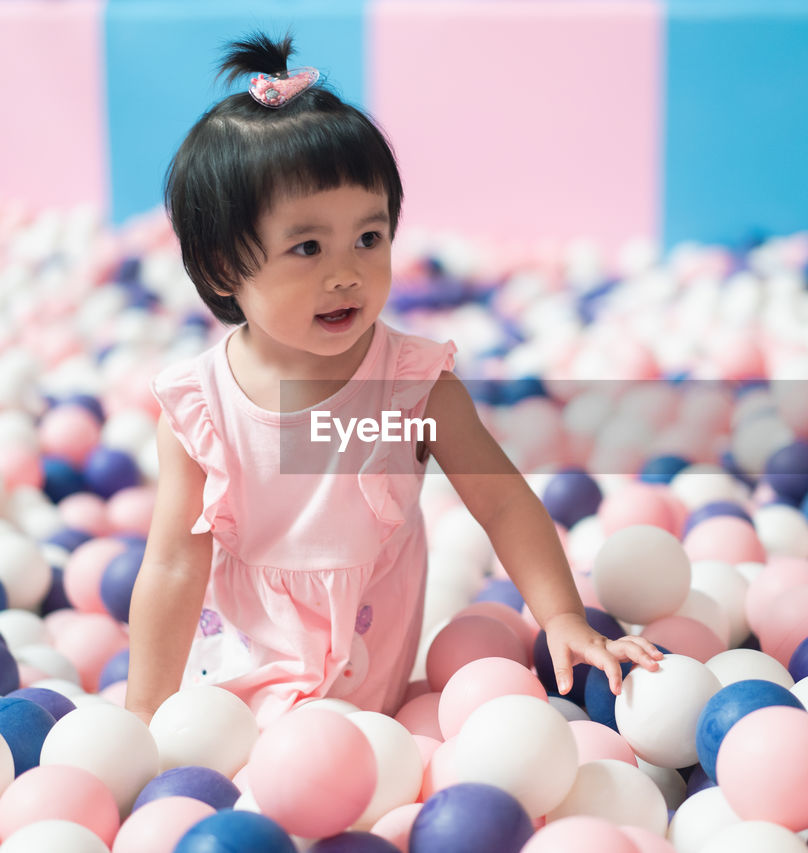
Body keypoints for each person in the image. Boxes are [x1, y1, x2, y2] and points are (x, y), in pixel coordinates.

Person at [125, 31, 662, 727]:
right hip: (238, 678)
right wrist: (143, 715)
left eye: (369, 238)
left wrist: (561, 614)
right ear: (227, 266)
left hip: (371, 686)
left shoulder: (413, 386)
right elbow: (172, 568)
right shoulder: (202, 412)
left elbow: (501, 503)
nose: (346, 271)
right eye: (308, 247)